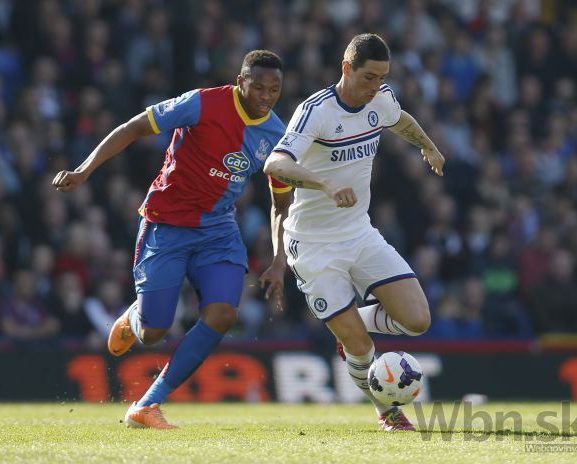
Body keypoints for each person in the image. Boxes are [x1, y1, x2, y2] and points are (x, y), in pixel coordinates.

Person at [52, 50, 290, 429]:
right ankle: (135, 317)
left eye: (274, 89)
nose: (265, 95)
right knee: (153, 332)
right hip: (168, 222)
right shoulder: (202, 103)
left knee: (223, 313)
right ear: (240, 81)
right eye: (258, 86)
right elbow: (133, 127)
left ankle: (147, 405)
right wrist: (84, 170)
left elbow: (281, 204)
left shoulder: (277, 135)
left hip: (218, 230)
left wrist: (279, 260)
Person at [264, 33, 445, 431]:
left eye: (382, 78)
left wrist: (428, 147)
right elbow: (275, 165)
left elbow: (402, 120)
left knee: (418, 320)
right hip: (312, 245)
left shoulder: (380, 99)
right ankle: (386, 411)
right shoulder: (316, 111)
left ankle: (345, 322)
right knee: (361, 347)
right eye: (368, 77)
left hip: (359, 233)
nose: (375, 86)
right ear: (347, 68)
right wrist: (325, 184)